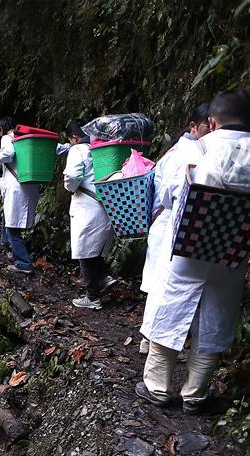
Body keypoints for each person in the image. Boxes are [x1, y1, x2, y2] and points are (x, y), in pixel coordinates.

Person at [136, 89, 250, 414]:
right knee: (217, 312)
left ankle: (157, 387)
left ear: (212, 121)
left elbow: (172, 196)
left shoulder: (197, 148)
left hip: (190, 244)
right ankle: (195, 394)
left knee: (172, 305)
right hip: (234, 251)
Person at [138, 103, 211, 355]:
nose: (211, 131)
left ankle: (149, 339)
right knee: (165, 286)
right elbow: (171, 194)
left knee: (160, 284)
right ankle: (155, 342)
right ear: (193, 126)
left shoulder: (179, 150)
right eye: (206, 126)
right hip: (169, 221)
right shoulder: (187, 153)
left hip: (165, 222)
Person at [63, 119, 116, 309]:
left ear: (74, 138)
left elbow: (72, 176)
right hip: (104, 204)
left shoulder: (78, 150)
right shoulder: (102, 148)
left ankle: (92, 297)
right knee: (95, 248)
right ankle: (104, 278)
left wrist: (69, 188)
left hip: (87, 206)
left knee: (84, 252)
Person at [0, 117, 40, 274]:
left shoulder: (7, 138)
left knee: (13, 227)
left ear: (1, 130)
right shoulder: (28, 139)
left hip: (16, 188)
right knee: (9, 218)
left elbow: (8, 154)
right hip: (29, 186)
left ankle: (23, 263)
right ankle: (8, 246)